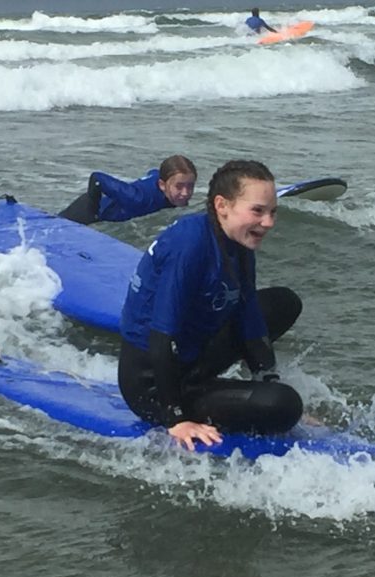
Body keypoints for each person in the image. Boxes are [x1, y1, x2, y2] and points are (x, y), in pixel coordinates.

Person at [118, 159, 303, 450]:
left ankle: (215, 386)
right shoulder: (189, 244)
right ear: (222, 205)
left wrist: (267, 377)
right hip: (152, 383)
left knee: (283, 303)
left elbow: (249, 313)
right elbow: (161, 337)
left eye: (272, 212)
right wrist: (176, 418)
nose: (268, 222)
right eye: (258, 211)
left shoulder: (237, 240)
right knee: (285, 405)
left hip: (191, 357)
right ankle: (192, 398)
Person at [58, 155, 197, 225]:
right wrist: (93, 212)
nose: (185, 193)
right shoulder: (137, 199)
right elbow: (97, 178)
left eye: (190, 186)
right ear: (162, 185)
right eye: (179, 186)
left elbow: (153, 172)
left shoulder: (167, 188)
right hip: (83, 213)